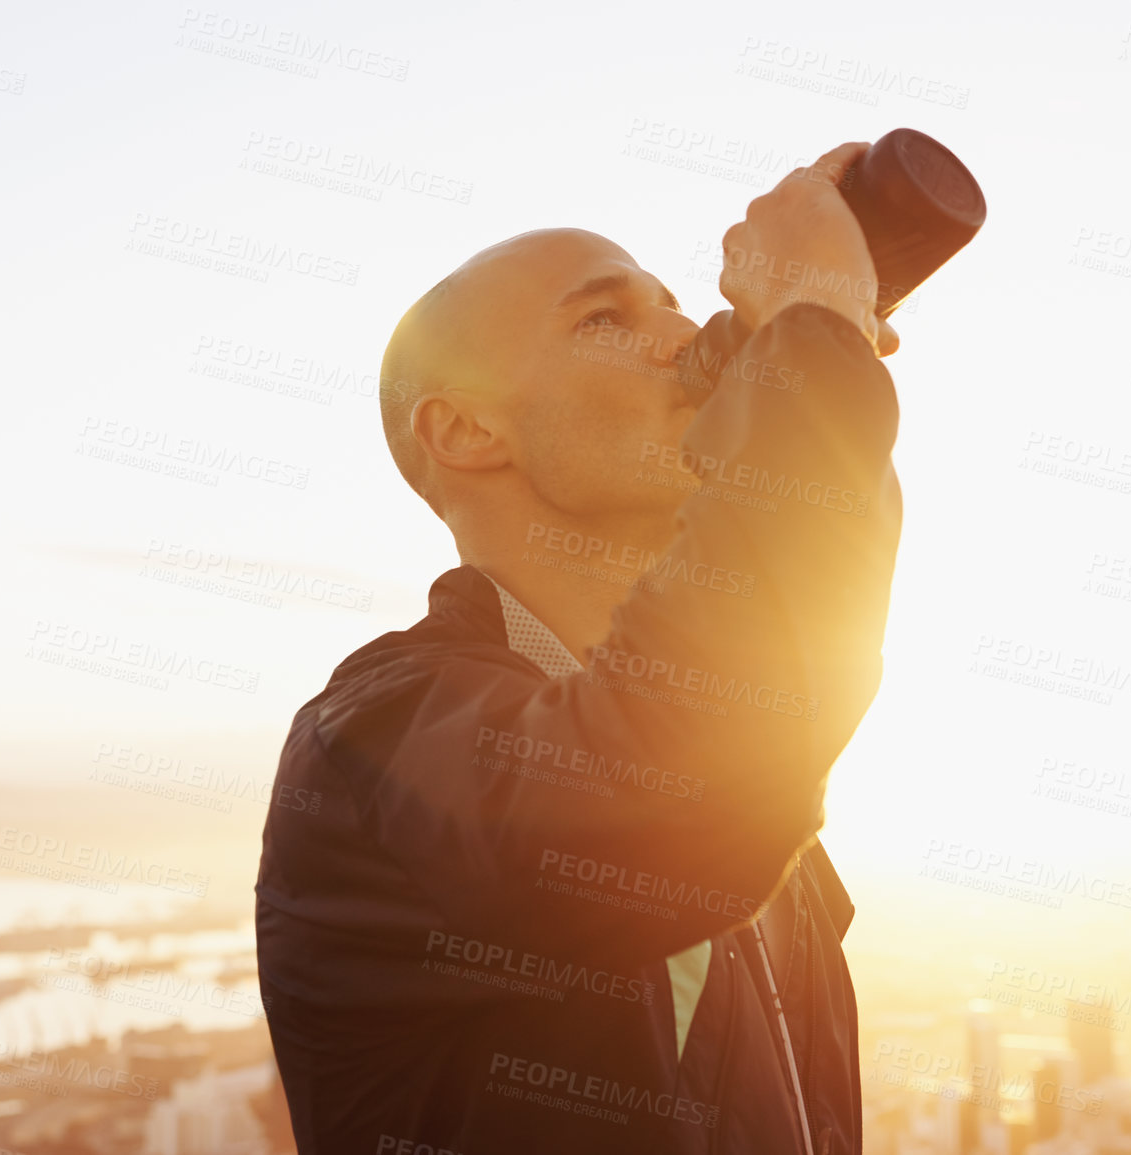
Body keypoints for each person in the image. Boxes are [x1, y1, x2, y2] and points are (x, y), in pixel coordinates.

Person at [255, 141, 906, 1154]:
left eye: (672, 303)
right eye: (606, 319)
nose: (681, 334)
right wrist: (810, 351)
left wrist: (815, 363)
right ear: (465, 430)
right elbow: (656, 786)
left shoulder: (777, 829)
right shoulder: (374, 747)